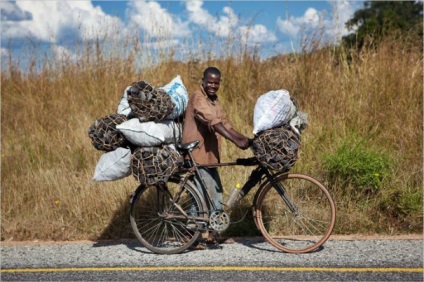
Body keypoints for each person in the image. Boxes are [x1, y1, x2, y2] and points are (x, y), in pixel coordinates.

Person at [182, 66, 251, 248]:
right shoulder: (198, 97)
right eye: (210, 82)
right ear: (203, 81)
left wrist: (245, 139)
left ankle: (212, 234)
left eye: (216, 82)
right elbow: (213, 121)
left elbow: (225, 124)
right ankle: (189, 236)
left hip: (210, 156)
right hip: (197, 153)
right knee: (205, 194)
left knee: (217, 191)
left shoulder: (214, 101)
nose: (213, 85)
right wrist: (236, 142)